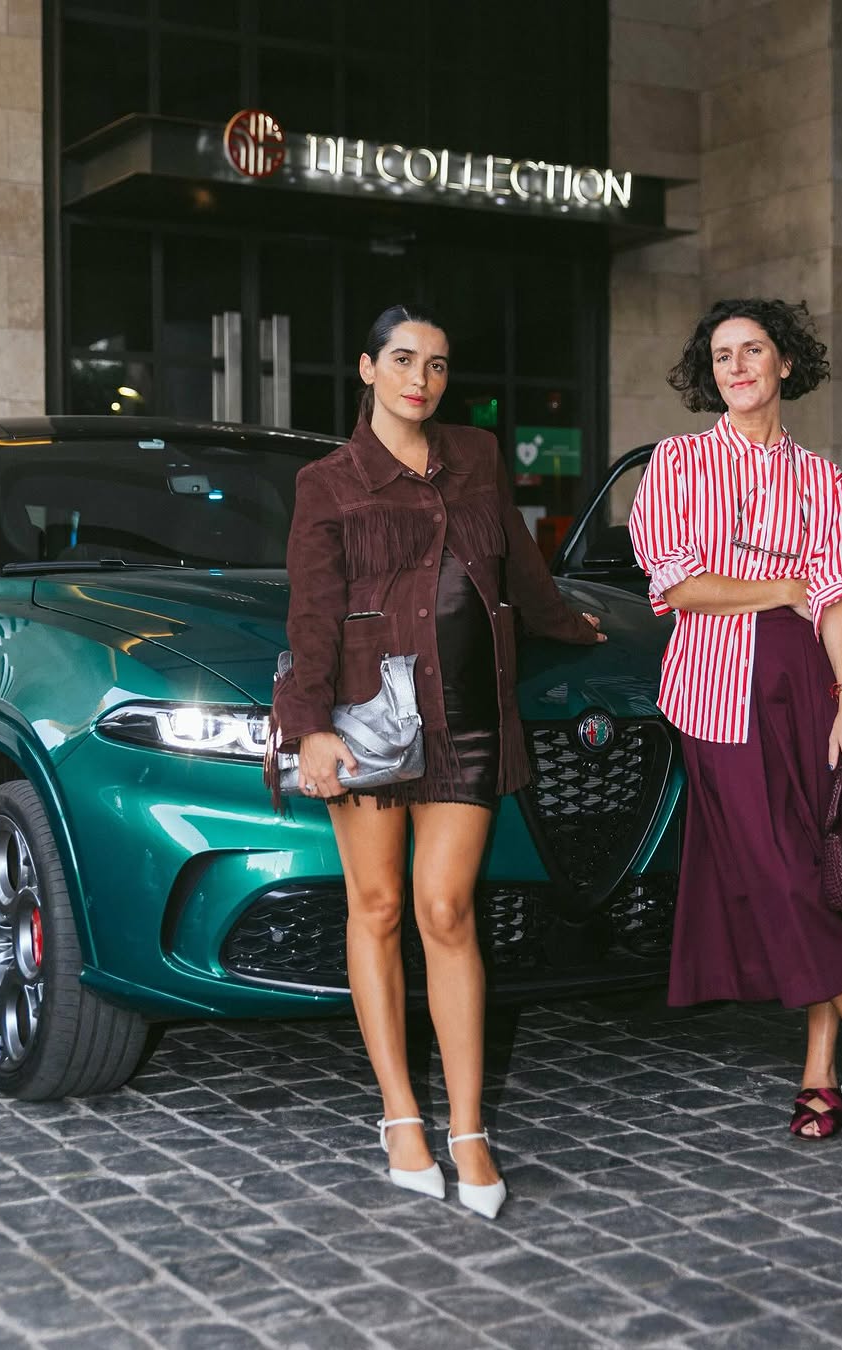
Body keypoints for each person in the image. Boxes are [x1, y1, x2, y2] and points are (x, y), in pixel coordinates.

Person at [266, 304, 605, 1216]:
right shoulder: (327, 483)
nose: (422, 378)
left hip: (469, 716)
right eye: (404, 360)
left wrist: (570, 624)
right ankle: (401, 1115)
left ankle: (469, 1127)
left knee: (447, 909)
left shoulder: (477, 456)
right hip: (369, 719)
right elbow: (311, 612)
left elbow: (518, 568)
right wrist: (309, 728)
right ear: (368, 369)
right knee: (377, 908)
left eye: (439, 364)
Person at [629, 298, 842, 1150]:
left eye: (752, 350)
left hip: (810, 681)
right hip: (716, 694)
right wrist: (783, 586)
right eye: (721, 355)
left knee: (825, 868)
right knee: (781, 873)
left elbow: (836, 596)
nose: (736, 366)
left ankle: (817, 1070)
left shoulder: (821, 476)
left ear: (785, 363)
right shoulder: (678, 462)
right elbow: (677, 584)